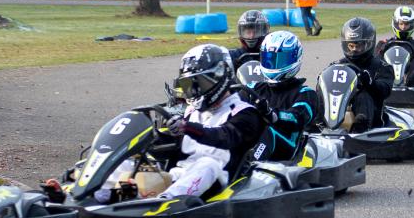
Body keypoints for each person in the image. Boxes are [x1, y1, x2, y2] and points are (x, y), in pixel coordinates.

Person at [159, 45, 265, 198]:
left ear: (220, 76)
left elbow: (224, 136)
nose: (196, 90)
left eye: (200, 83)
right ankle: (123, 196)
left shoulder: (245, 113)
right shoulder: (191, 112)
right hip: (180, 175)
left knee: (207, 164)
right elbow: (176, 147)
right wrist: (154, 138)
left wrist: (187, 127)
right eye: (191, 84)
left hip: (218, 184)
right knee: (134, 162)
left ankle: (164, 203)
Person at [248, 31, 321, 162]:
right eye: (269, 59)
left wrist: (272, 114)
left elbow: (297, 118)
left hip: (288, 149)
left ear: (295, 58)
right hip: (256, 142)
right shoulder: (254, 88)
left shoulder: (305, 93)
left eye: (280, 60)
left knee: (269, 132)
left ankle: (249, 166)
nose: (273, 64)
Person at [333, 17, 393, 132]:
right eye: (351, 46)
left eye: (358, 45)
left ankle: (361, 126)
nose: (354, 50)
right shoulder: (338, 65)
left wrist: (370, 83)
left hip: (371, 116)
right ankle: (318, 123)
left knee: (363, 94)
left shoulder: (381, 66)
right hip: (339, 107)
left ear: (369, 43)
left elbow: (385, 89)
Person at [375, 6, 414, 86]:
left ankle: (412, 79)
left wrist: (413, 58)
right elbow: (373, 61)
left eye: (406, 24)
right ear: (395, 23)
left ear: (412, 25)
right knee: (378, 59)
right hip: (386, 78)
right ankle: (381, 80)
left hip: (410, 81)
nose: (403, 27)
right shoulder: (383, 43)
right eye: (401, 24)